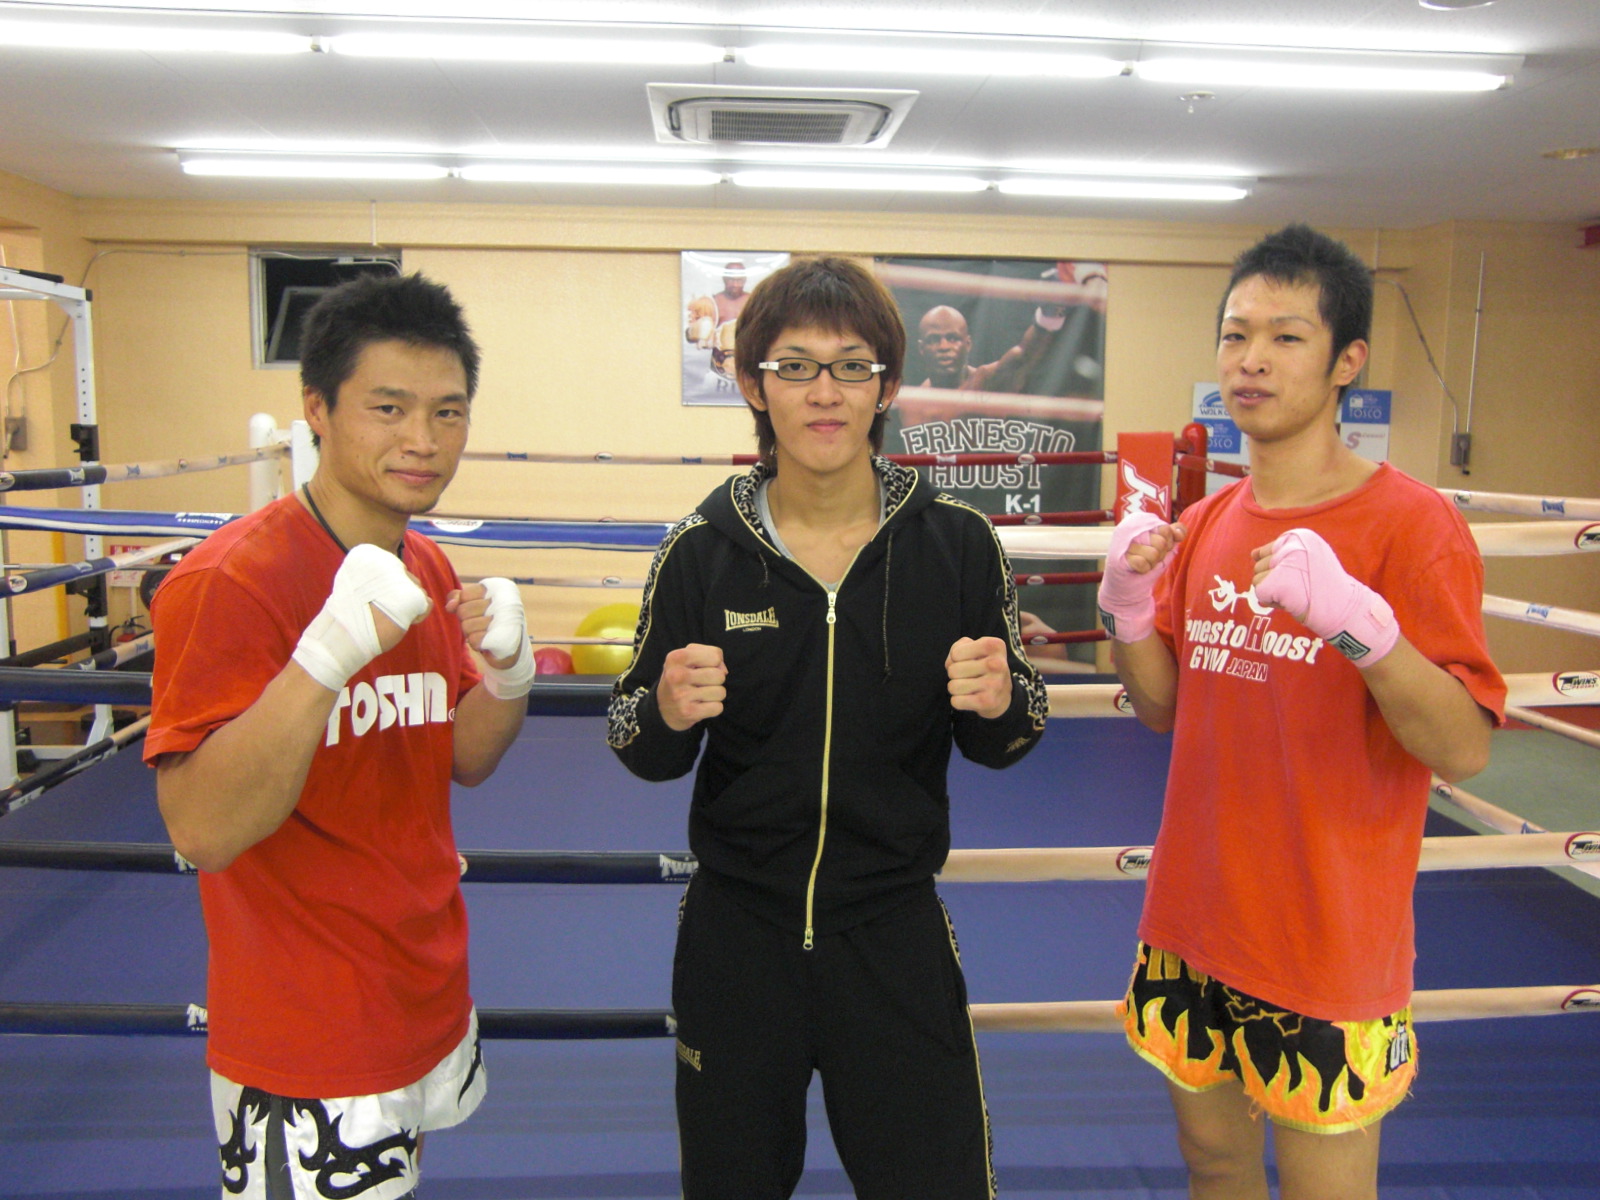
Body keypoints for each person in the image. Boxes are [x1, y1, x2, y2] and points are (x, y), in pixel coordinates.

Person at [609, 255, 1048, 1199]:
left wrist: (1002, 702)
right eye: (795, 366)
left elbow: (1012, 738)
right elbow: (636, 743)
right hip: (738, 939)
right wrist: (665, 712)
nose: (824, 393)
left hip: (891, 934)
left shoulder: (957, 543)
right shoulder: (699, 551)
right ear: (751, 383)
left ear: (885, 386)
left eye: (851, 367)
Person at [1099, 224, 1505, 1198]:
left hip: (1326, 940)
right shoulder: (1204, 525)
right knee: (1212, 1163)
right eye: (1236, 335)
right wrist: (1123, 612)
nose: (1252, 360)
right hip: (1192, 921)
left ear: (1346, 361)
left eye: (1286, 337)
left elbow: (1463, 749)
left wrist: (1363, 630)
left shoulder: (1412, 524)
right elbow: (1162, 709)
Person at [146, 273, 533, 1200]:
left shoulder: (425, 562)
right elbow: (202, 829)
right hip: (306, 1034)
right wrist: (321, 661)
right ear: (316, 409)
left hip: (423, 992)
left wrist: (511, 677)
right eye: (388, 408)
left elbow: (464, 757)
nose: (422, 440)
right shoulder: (232, 581)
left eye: (447, 412)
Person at [915, 262, 1107, 392]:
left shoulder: (984, 383)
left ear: (968, 344)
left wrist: (1049, 316)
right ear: (921, 348)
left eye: (952, 338)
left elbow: (1024, 356)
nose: (944, 347)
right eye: (934, 339)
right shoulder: (912, 402)